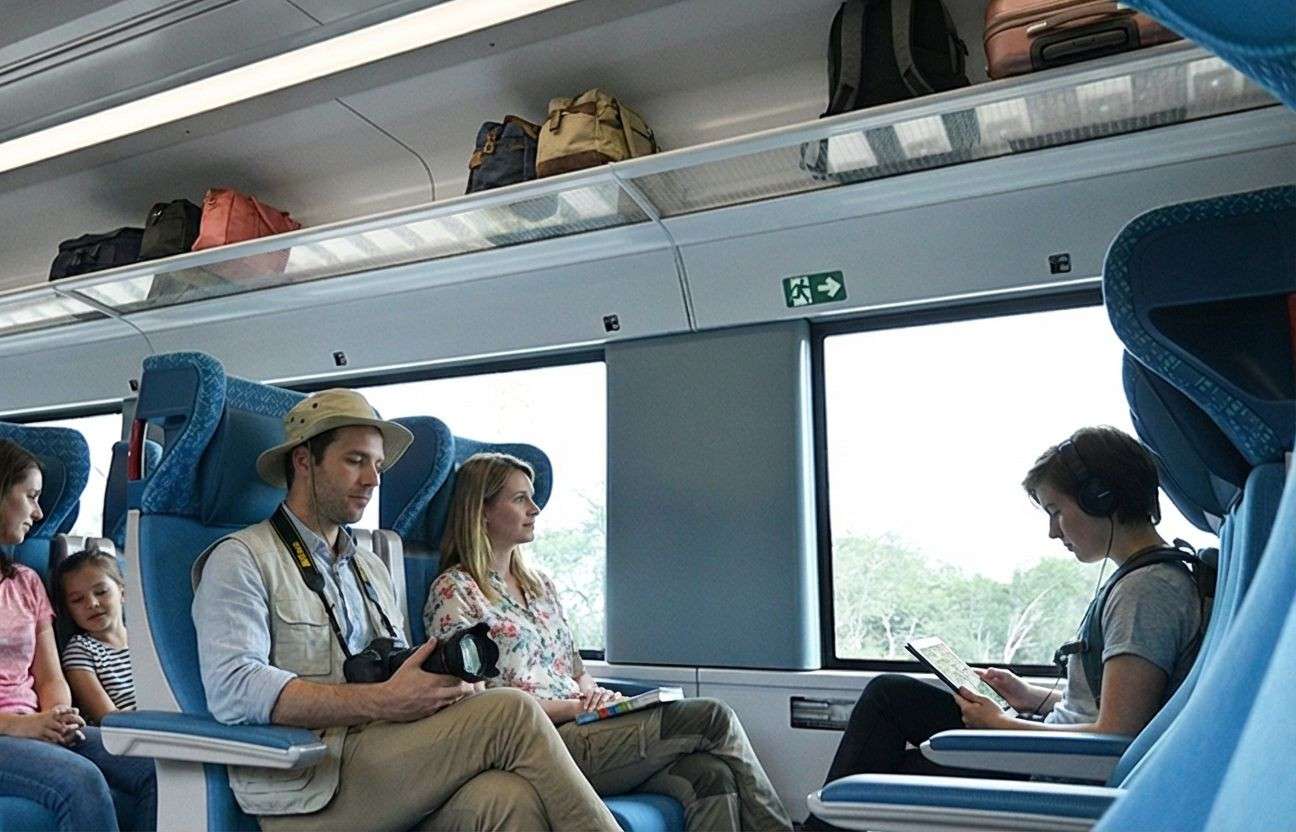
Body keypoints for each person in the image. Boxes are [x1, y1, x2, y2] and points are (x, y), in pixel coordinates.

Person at [192, 390, 620, 832]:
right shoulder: (242, 558)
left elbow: (393, 663)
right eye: (355, 461)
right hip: (310, 776)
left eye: (377, 466)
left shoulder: (369, 567)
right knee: (512, 712)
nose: (372, 480)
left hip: (385, 751)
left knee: (508, 799)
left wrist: (439, 689)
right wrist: (384, 699)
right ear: (304, 462)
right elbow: (235, 689)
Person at [804, 426, 1207, 830]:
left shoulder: (1146, 591)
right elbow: (1109, 704)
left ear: (1100, 498)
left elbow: (1119, 733)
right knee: (890, 704)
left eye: (1056, 511)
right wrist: (1028, 696)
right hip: (1050, 748)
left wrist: (1002, 725)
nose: (1053, 531)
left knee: (885, 723)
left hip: (1057, 772)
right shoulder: (1145, 579)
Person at [425, 452, 794, 832]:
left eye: (532, 498)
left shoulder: (540, 586)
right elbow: (477, 707)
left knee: (709, 775)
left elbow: (576, 670)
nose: (535, 508)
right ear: (481, 511)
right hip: (541, 743)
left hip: (587, 722)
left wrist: (596, 697)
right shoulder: (455, 591)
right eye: (520, 499)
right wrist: (572, 707)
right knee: (712, 717)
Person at [0, 438, 157, 831]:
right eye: (31, 496)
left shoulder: (25, 581)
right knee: (81, 782)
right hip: (7, 731)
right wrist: (20, 726)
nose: (39, 513)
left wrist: (56, 716)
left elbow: (50, 675)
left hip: (34, 721)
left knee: (158, 766)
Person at [54, 549, 136, 724]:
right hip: (133, 734)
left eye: (101, 592)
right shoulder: (80, 650)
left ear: (122, 592)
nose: (92, 603)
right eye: (77, 600)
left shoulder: (147, 640)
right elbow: (108, 719)